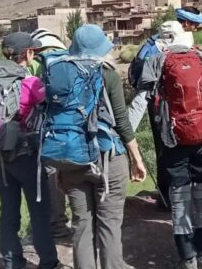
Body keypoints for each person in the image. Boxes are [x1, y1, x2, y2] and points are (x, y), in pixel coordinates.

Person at [57, 25, 147, 269]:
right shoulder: (107, 73)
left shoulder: (59, 74)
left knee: (82, 226)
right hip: (107, 158)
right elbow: (121, 120)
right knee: (109, 224)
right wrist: (136, 158)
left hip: (71, 158)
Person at [139, 33, 202, 269]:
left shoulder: (158, 61)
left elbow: (142, 95)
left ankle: (187, 257)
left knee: (180, 199)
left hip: (173, 139)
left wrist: (128, 136)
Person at [0, 32, 61, 269]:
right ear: (28, 53)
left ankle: (13, 263)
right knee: (39, 211)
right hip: (25, 155)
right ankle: (49, 262)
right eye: (33, 51)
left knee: (8, 211)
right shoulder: (29, 82)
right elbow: (50, 104)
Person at [128, 21, 192, 209]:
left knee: (163, 151)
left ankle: (166, 198)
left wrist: (127, 131)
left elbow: (141, 95)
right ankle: (185, 195)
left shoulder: (153, 56)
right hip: (186, 110)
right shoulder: (192, 55)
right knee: (184, 151)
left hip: (160, 111)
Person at [27, 29, 73, 241]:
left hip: (47, 130)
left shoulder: (35, 63)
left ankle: (56, 225)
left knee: (50, 176)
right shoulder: (72, 60)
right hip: (75, 129)